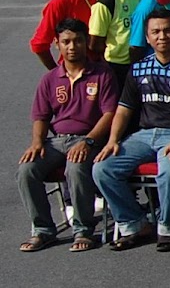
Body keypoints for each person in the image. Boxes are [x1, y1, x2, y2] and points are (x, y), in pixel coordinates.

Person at [92, 8, 170, 252]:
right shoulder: (138, 68)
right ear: (147, 37)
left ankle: (169, 227)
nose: (162, 36)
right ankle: (134, 224)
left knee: (169, 170)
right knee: (102, 168)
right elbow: (123, 109)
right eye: (156, 32)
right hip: (144, 135)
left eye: (168, 30)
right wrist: (113, 140)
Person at [18, 19, 117, 252]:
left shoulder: (102, 74)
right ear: (57, 44)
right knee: (26, 169)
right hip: (57, 140)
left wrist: (89, 141)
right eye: (66, 42)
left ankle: (83, 229)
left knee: (76, 165)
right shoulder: (50, 79)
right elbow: (41, 116)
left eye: (78, 41)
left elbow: (109, 114)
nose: (72, 46)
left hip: (90, 139)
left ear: (86, 43)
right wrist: (36, 142)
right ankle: (43, 230)